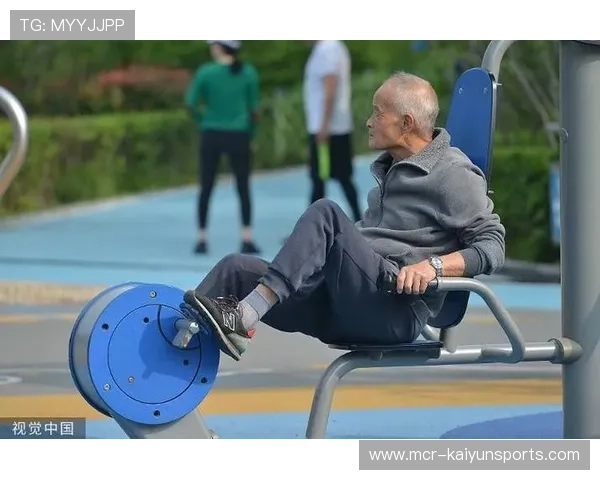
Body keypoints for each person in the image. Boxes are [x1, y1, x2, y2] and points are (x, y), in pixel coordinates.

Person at [180, 71, 506, 362]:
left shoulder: (453, 173)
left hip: (392, 310)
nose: (368, 121)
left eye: (378, 113)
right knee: (236, 268)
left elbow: (492, 246)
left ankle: (246, 315)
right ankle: (172, 344)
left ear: (406, 123)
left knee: (327, 213)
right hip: (343, 301)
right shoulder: (391, 168)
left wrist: (433, 266)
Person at [185, 40, 261, 255]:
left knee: (206, 186)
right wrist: (251, 133)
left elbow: (190, 102)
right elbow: (254, 110)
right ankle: (246, 237)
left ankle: (202, 238)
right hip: (239, 133)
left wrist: (203, 121)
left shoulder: (205, 72)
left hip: (211, 133)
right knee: (243, 186)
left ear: (219, 47)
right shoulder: (248, 72)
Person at [302, 40, 362, 222]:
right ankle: (358, 220)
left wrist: (324, 125)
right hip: (332, 127)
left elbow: (330, 86)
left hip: (328, 129)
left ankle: (311, 227)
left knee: (322, 178)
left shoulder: (327, 50)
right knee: (333, 178)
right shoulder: (331, 48)